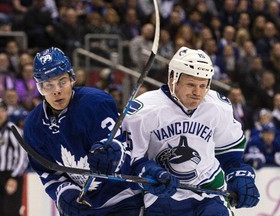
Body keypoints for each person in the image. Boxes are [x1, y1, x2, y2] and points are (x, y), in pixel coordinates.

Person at [94, 47, 260, 215]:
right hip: (162, 195)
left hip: (208, 190)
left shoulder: (217, 106)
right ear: (173, 79)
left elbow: (229, 148)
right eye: (191, 85)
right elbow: (131, 157)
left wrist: (238, 173)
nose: (197, 93)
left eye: (203, 85)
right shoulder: (144, 110)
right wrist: (151, 172)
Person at [22, 47, 143, 216]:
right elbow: (48, 172)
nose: (57, 90)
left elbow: (122, 144)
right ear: (40, 88)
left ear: (71, 79)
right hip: (83, 206)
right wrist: (64, 194)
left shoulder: (96, 103)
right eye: (48, 85)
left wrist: (113, 154)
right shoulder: (33, 126)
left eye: (62, 81)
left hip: (122, 199)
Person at [0, 98, 28, 216]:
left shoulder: (13, 130)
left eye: (3, 110)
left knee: (10, 212)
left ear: (7, 112)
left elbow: (23, 155)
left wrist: (14, 177)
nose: (0, 114)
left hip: (10, 176)